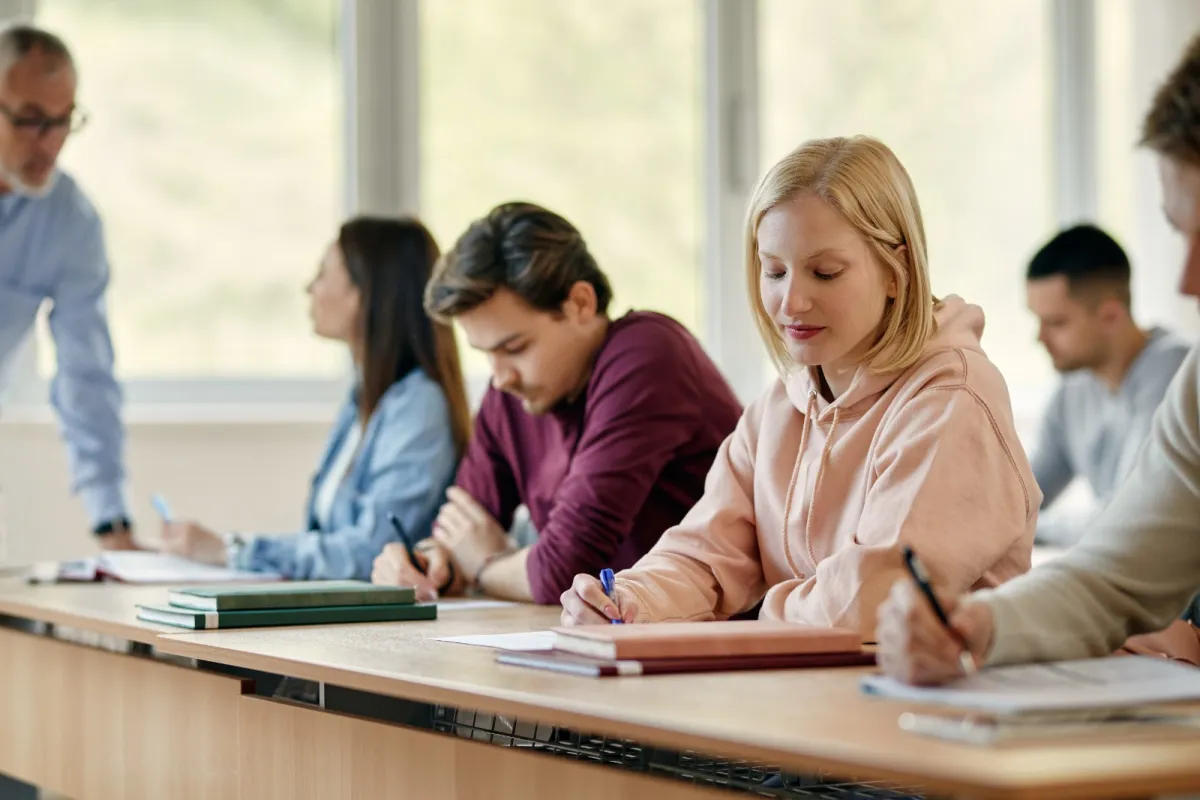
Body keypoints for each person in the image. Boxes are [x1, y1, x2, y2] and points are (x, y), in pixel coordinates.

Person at [559, 136, 1039, 637]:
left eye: (825, 273)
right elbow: (707, 555)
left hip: (941, 702)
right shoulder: (779, 408)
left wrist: (761, 614)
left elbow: (876, 597)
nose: (791, 302)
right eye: (775, 271)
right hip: (818, 695)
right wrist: (628, 600)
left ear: (896, 271)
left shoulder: (951, 398)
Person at [875, 32, 1200, 685]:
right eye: (1181, 231)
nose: (1188, 280)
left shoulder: (1164, 372)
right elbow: (1114, 574)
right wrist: (981, 625)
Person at [371, 201, 743, 603]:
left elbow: (561, 572)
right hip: (607, 634)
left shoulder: (648, 355)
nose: (500, 377)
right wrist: (427, 562)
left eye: (514, 347)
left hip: (709, 641)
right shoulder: (513, 393)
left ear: (580, 303)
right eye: (486, 354)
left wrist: (484, 566)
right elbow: (463, 531)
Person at [161, 217, 470, 580]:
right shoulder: (363, 399)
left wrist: (233, 549)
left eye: (323, 274)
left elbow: (372, 552)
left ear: (364, 293)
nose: (310, 288)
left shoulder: (419, 407)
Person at [0, 24, 135, 549]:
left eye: (63, 121)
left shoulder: (70, 221)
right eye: (32, 121)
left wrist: (111, 518)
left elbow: (86, 373)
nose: (50, 143)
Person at [1025, 224, 1187, 546]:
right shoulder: (1073, 391)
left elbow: (1125, 517)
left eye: (1056, 322)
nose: (1039, 338)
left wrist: (1028, 530)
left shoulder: (1174, 373)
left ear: (1111, 316)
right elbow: (1021, 497)